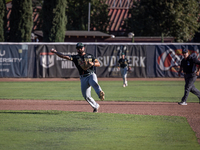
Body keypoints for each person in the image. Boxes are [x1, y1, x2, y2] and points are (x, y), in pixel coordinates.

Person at [51, 42, 105, 112]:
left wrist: (92, 63)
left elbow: (98, 64)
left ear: (83, 48)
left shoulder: (90, 56)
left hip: (91, 74)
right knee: (86, 96)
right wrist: (55, 52)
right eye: (78, 48)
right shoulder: (76, 57)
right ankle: (95, 106)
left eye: (81, 48)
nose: (79, 49)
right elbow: (64, 56)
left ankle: (100, 94)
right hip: (83, 78)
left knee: (94, 83)